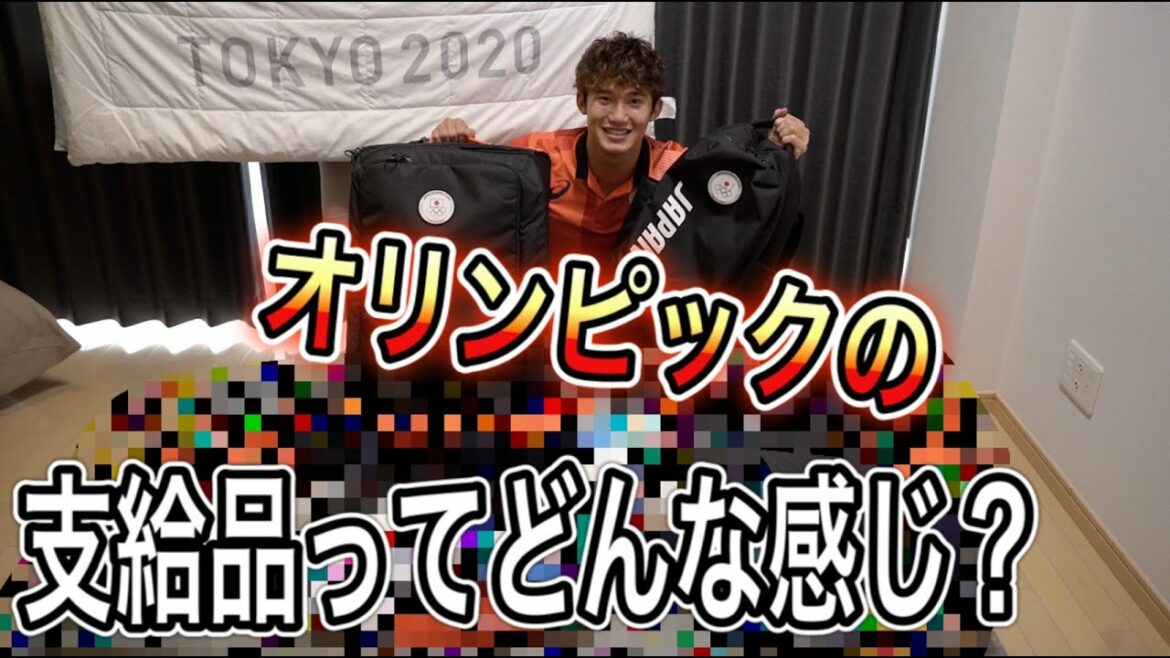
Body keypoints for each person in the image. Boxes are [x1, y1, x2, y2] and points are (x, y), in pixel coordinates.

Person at [430, 32, 810, 261]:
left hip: (635, 321)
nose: (618, 116)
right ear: (582, 102)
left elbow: (739, 214)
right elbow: (479, 175)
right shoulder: (539, 158)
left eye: (634, 101)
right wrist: (451, 141)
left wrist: (778, 148)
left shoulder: (677, 169)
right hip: (552, 320)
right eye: (604, 99)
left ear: (654, 110)